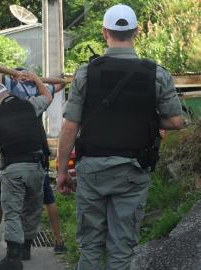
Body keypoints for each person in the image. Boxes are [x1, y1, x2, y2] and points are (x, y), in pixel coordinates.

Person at [57, 4, 183, 270]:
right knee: (122, 250)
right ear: (136, 32)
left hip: (92, 170)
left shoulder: (85, 73)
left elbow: (69, 127)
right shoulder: (157, 74)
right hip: (133, 170)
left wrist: (61, 172)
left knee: (90, 249)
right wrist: (146, 118)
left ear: (105, 32)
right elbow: (176, 121)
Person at [0, 64, 67, 259]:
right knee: (38, 203)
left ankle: (1, 250)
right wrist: (35, 79)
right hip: (37, 159)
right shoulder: (33, 100)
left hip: (11, 162)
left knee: (5, 204)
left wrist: (17, 76)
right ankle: (45, 243)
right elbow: (56, 89)